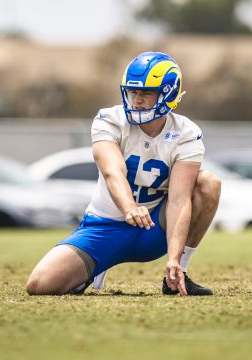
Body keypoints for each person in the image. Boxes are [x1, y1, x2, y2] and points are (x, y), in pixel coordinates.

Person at [25, 51, 222, 296]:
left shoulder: (186, 133)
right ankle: (92, 270)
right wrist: (129, 207)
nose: (137, 100)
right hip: (106, 227)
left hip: (155, 228)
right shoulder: (110, 120)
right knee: (40, 285)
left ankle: (178, 273)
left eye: (146, 93)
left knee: (208, 183)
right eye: (133, 92)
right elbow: (112, 172)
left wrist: (174, 258)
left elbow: (180, 199)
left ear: (169, 93)